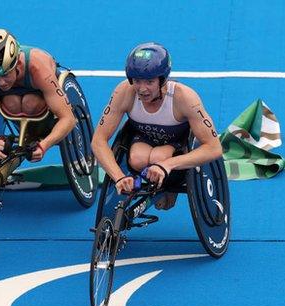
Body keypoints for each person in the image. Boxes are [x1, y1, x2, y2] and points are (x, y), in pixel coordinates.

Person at [91, 42, 223, 209]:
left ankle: (166, 184)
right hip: (142, 140)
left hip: (176, 144)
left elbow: (214, 148)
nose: (142, 89)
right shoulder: (123, 92)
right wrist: (118, 177)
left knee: (158, 159)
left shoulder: (185, 98)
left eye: (149, 82)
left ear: (162, 80)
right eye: (137, 81)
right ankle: (152, 176)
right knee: (137, 159)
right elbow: (98, 141)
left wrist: (167, 165)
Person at [0, 28, 76, 162]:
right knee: (12, 103)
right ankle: (27, 133)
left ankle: (39, 131)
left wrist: (44, 145)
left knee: (30, 103)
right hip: (11, 100)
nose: (0, 82)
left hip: (39, 94)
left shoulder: (39, 68)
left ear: (17, 63)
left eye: (5, 74)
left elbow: (68, 119)